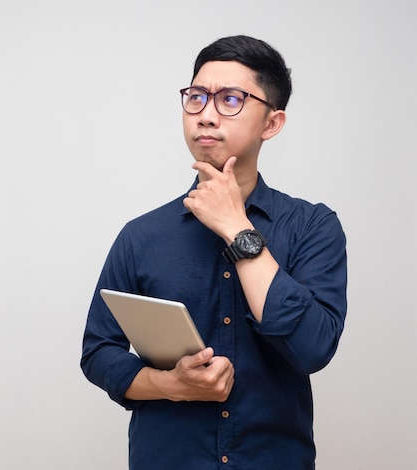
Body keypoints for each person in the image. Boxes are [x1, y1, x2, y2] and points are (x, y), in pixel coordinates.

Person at [80, 35, 348, 469]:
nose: (206, 115)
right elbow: (98, 352)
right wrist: (170, 385)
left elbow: (312, 347)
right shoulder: (141, 236)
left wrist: (236, 227)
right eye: (197, 97)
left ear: (272, 123)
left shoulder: (312, 227)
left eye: (230, 100)